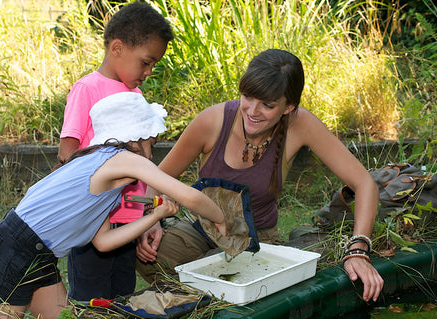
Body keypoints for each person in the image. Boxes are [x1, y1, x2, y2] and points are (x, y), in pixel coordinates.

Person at [136, 49, 384, 302]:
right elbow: (158, 176)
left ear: (289, 106)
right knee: (141, 248)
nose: (253, 111)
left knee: (244, 283)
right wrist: (151, 218)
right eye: (248, 97)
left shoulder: (301, 124)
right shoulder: (212, 121)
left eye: (267, 105)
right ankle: (204, 285)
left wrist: (358, 249)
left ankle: (202, 288)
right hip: (202, 231)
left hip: (258, 242)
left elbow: (364, 183)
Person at [0, 92, 226, 319]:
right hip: (12, 250)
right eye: (152, 141)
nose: (151, 153)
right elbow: (191, 197)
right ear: (136, 138)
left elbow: (103, 241)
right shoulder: (122, 159)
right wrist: (221, 219)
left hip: (38, 253)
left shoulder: (106, 175)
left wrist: (156, 215)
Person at [57, 1, 174, 301]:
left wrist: (150, 214)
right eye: (146, 62)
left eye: (154, 65)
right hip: (94, 222)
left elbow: (142, 164)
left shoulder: (135, 95)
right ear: (118, 48)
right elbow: (66, 155)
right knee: (92, 298)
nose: (148, 71)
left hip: (130, 221)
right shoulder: (87, 89)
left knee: (123, 294)